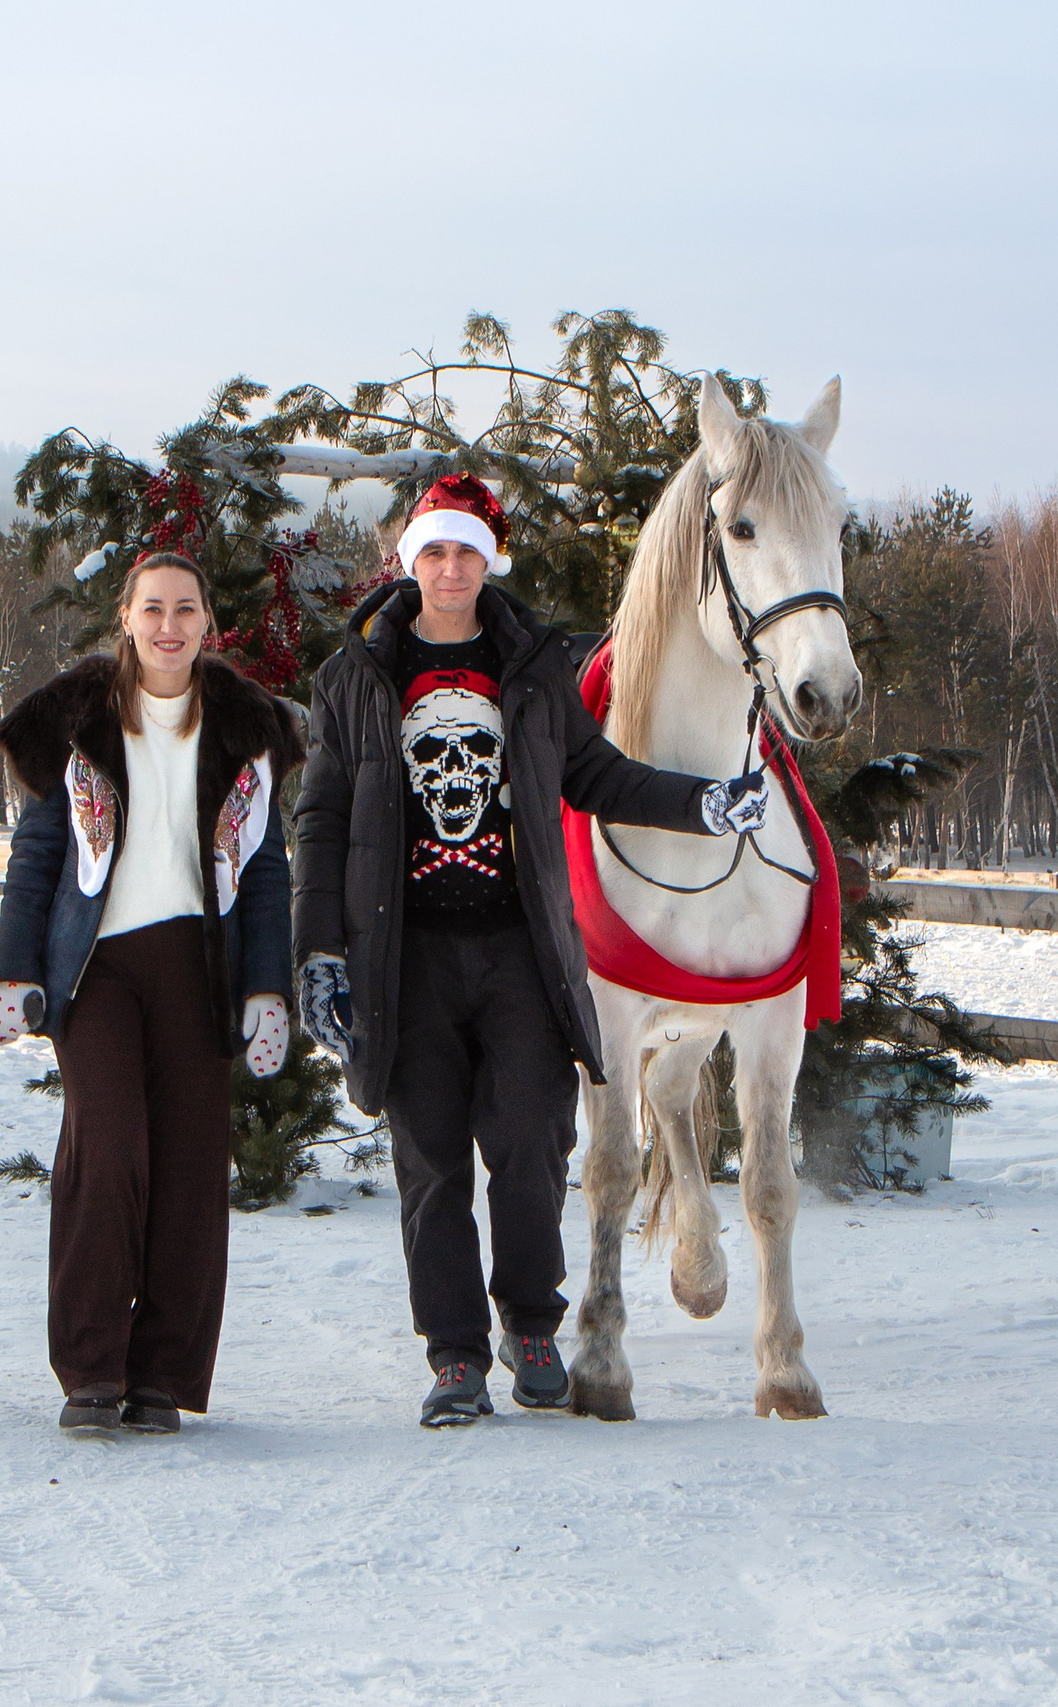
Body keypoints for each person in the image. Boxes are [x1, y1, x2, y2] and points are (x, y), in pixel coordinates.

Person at [290, 475, 770, 1427]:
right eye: (434, 551)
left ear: (488, 560)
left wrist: (699, 802)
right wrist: (319, 953)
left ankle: (532, 1322)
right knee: (430, 1164)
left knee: (535, 1145)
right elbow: (321, 817)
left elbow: (594, 772)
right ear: (409, 561)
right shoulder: (357, 677)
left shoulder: (533, 664)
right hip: (407, 957)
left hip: (520, 952)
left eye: (467, 551)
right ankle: (456, 1356)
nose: (451, 568)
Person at [0, 551, 305, 1435]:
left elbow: (267, 870)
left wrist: (267, 988)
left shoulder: (246, 727)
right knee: (110, 1147)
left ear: (209, 623)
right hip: (100, 969)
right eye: (153, 608)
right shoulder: (79, 717)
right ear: (125, 616)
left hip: (199, 966)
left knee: (192, 1166)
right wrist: (14, 968)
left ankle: (161, 1373)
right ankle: (90, 1369)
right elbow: (38, 854)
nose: (170, 625)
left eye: (187, 609)